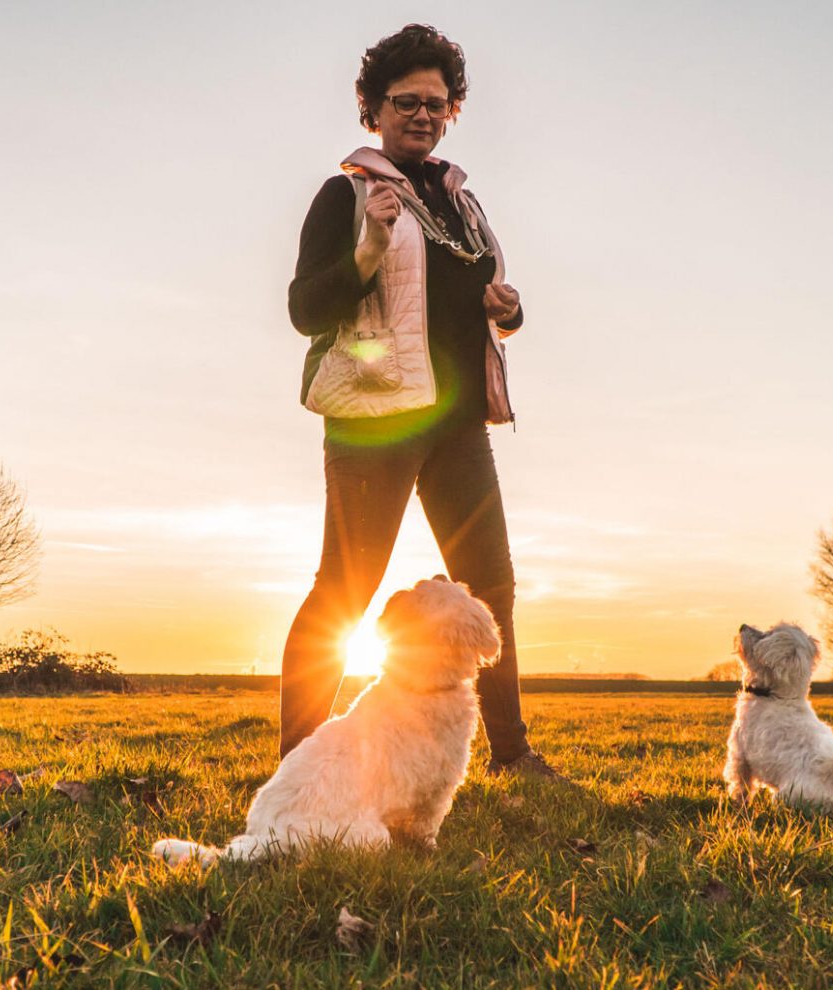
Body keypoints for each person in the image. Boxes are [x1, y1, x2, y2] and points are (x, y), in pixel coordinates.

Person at [281, 23, 562, 779]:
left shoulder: (461, 203)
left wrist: (508, 310)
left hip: (459, 426)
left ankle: (513, 754)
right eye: (405, 101)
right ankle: (299, 762)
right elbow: (307, 310)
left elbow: (477, 302)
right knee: (344, 591)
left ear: (452, 111)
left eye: (438, 104)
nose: (423, 115)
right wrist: (367, 253)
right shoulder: (346, 195)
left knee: (491, 587)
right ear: (373, 108)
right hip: (375, 423)